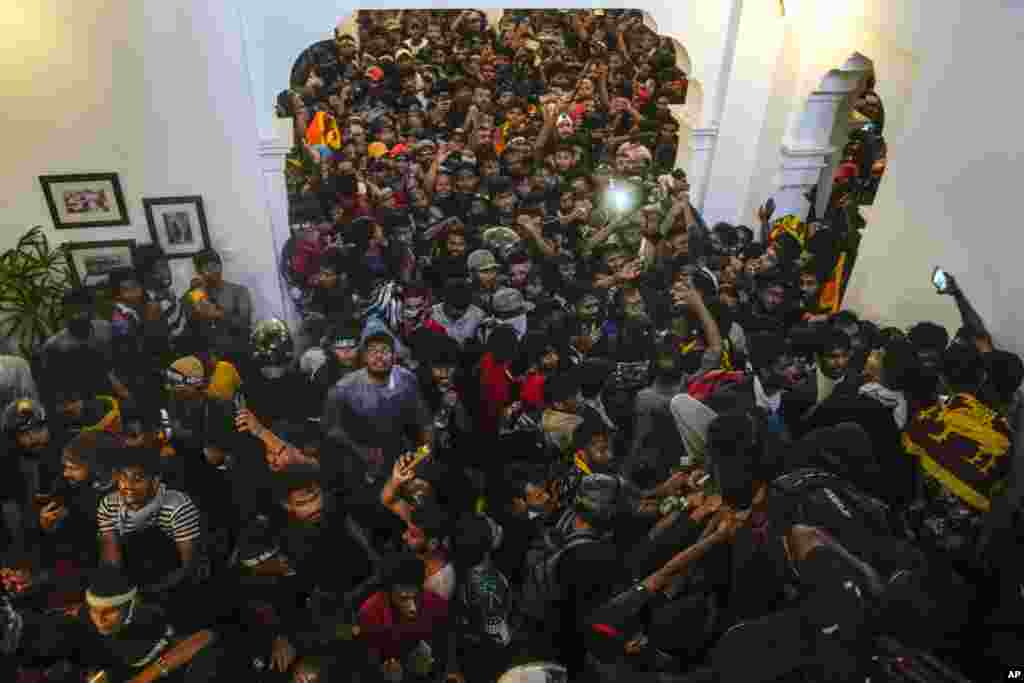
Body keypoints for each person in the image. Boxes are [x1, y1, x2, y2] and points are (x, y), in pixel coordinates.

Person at [322, 327, 432, 485]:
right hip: (359, 457)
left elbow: (426, 423)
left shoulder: (407, 379)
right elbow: (330, 428)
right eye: (373, 351)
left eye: (385, 350)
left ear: (394, 356)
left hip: (401, 452)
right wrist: (361, 451)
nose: (379, 356)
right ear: (364, 357)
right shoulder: (344, 388)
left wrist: (423, 455)